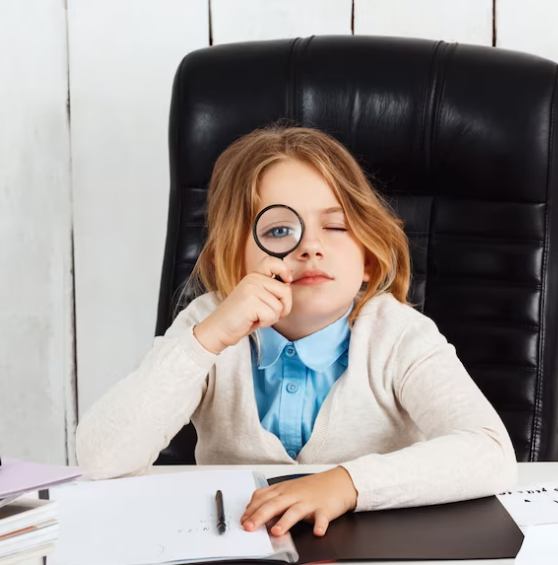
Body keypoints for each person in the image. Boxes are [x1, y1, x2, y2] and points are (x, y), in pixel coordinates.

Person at [76, 125, 517, 539]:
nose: (310, 245)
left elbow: (491, 452)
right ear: (233, 261)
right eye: (280, 230)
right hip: (240, 562)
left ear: (367, 259)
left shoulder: (398, 336)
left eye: (336, 226)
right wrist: (205, 342)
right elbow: (101, 459)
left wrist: (346, 483)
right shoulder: (207, 324)